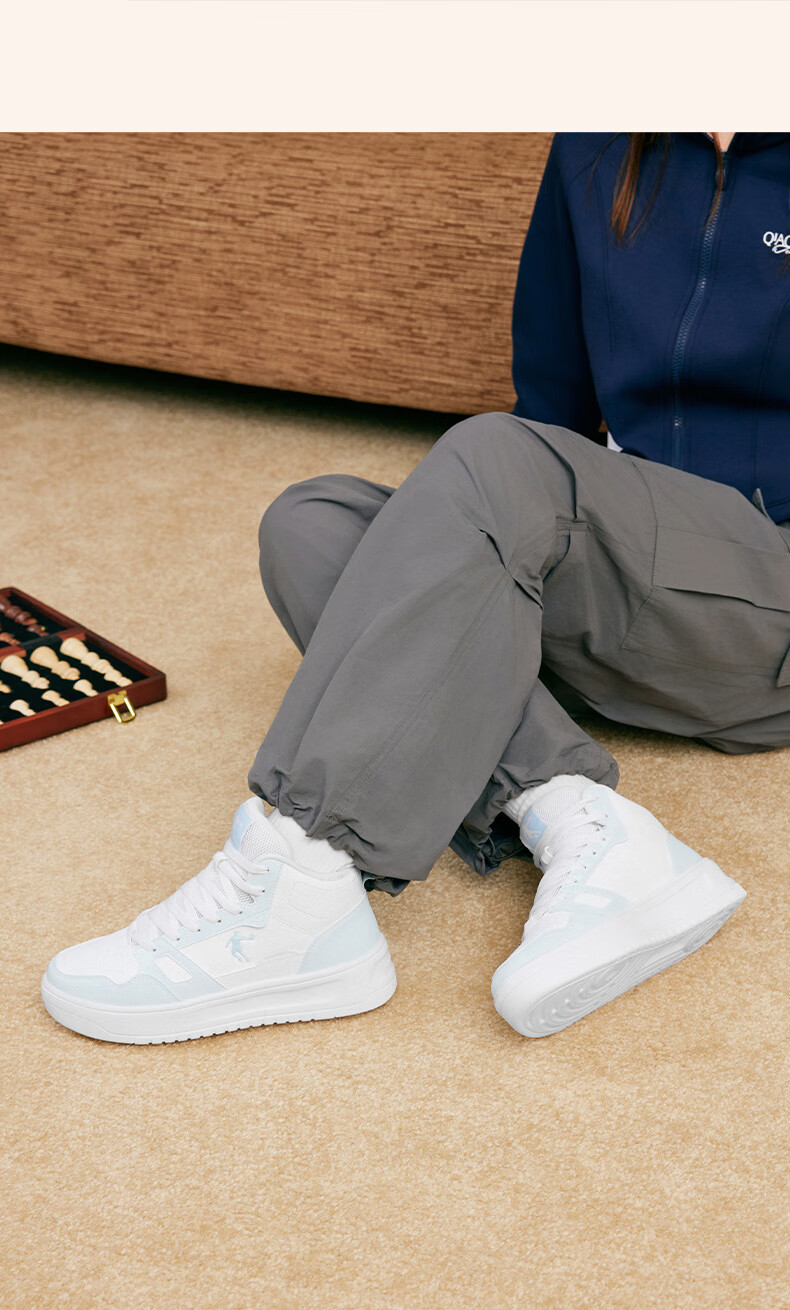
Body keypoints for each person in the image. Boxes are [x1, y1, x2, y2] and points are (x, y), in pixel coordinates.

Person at [41, 131, 790, 1045]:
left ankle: (309, 875)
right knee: (312, 524)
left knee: (486, 458)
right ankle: (580, 817)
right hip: (632, 580)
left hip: (765, 607)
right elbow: (551, 411)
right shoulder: (599, 142)